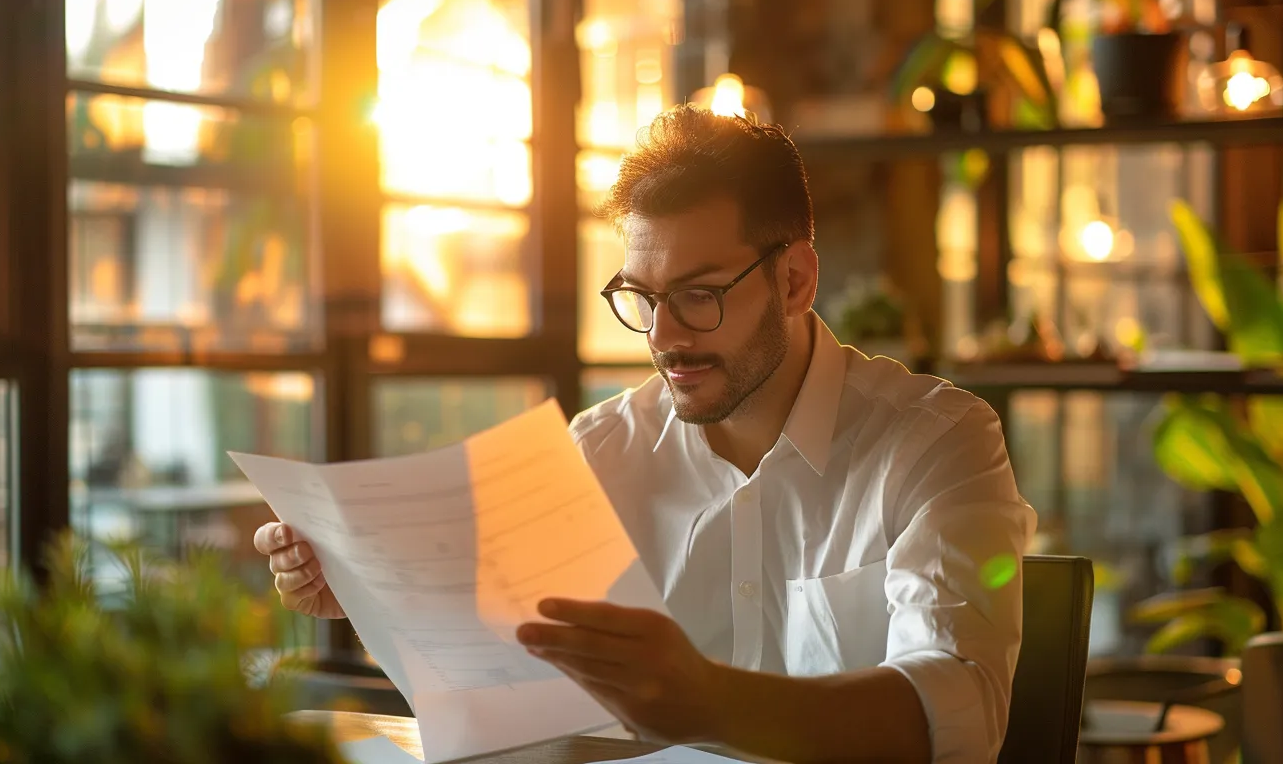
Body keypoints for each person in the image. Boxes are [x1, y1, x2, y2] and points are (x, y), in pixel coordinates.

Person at [255, 105, 1036, 763]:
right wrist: (368, 596)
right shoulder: (593, 455)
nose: (664, 336)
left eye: (699, 296)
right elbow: (501, 683)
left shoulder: (939, 441)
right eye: (641, 296)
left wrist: (713, 703)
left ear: (795, 280)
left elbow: (961, 707)